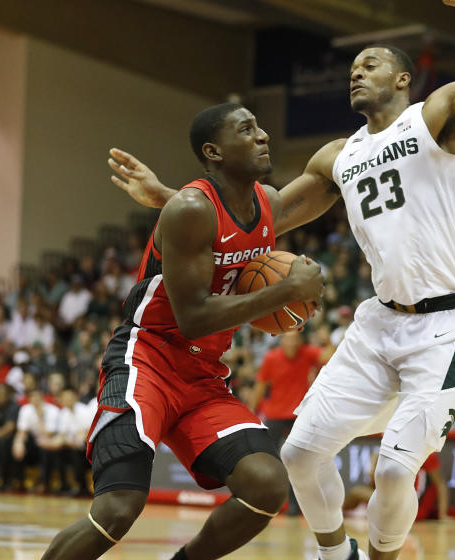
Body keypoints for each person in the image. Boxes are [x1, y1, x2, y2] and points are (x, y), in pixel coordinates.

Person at [109, 0, 455, 560]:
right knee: (298, 454)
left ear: (402, 78)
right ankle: (333, 551)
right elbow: (267, 216)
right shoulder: (337, 156)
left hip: (452, 322)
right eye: (353, 66)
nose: (356, 70)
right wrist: (171, 200)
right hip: (380, 323)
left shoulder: (438, 114)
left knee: (397, 471)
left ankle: (382, 554)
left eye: (370, 62)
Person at [42, 103, 324, 560]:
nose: (264, 135)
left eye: (261, 127)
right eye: (247, 129)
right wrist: (285, 291)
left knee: (267, 485)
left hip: (202, 374)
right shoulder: (190, 207)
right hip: (146, 359)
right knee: (119, 508)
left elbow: (326, 181)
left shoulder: (266, 204)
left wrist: (378, 137)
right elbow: (192, 315)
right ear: (213, 151)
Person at [247, 331, 334, 514]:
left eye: (296, 339)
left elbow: (331, 356)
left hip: (298, 415)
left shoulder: (307, 353)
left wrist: (326, 340)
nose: (293, 343)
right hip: (275, 414)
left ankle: (295, 505)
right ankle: (261, 499)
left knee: (298, 461)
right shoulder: (271, 358)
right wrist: (250, 413)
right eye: (289, 339)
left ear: (300, 341)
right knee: (267, 458)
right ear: (282, 341)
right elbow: (260, 386)